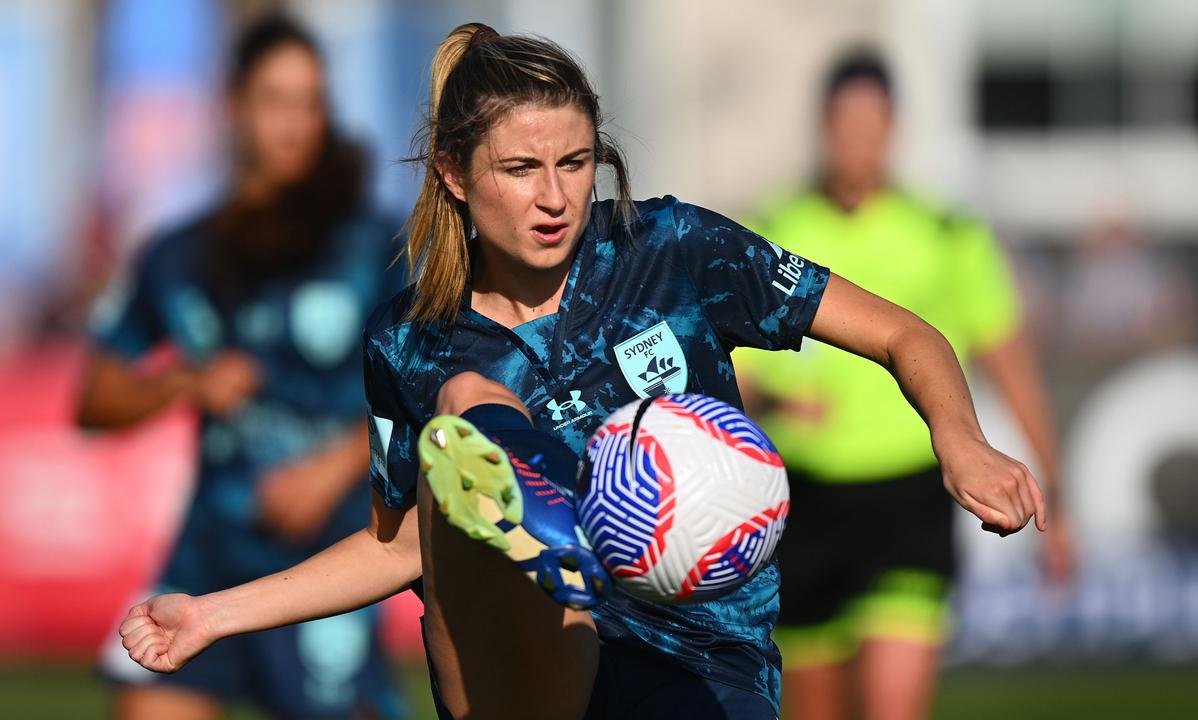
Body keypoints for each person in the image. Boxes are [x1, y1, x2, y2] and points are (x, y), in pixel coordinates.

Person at [116, 24, 1046, 720]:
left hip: (702, 667)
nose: (557, 196)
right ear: (453, 173)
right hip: (524, 665)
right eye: (521, 168)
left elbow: (905, 334)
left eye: (574, 162)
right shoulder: (410, 338)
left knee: (466, 411)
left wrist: (960, 441)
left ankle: (563, 534)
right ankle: (559, 550)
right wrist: (211, 616)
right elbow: (401, 546)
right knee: (464, 406)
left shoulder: (674, 250)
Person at [79, 15, 405, 720]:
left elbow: (433, 390)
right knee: (143, 696)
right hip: (209, 557)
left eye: (310, 103)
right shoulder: (178, 254)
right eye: (276, 101)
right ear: (234, 108)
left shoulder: (376, 246)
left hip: (326, 566)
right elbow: (94, 398)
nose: (295, 123)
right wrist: (182, 381)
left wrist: (333, 468)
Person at [733, 51, 1071, 720]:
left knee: (892, 706)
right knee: (817, 704)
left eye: (872, 126)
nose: (858, 142)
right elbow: (732, 382)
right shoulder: (774, 232)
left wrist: (1055, 496)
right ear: (822, 128)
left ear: (894, 129)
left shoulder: (948, 236)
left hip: (910, 494)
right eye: (844, 126)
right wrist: (772, 399)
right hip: (801, 496)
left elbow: (1012, 369)